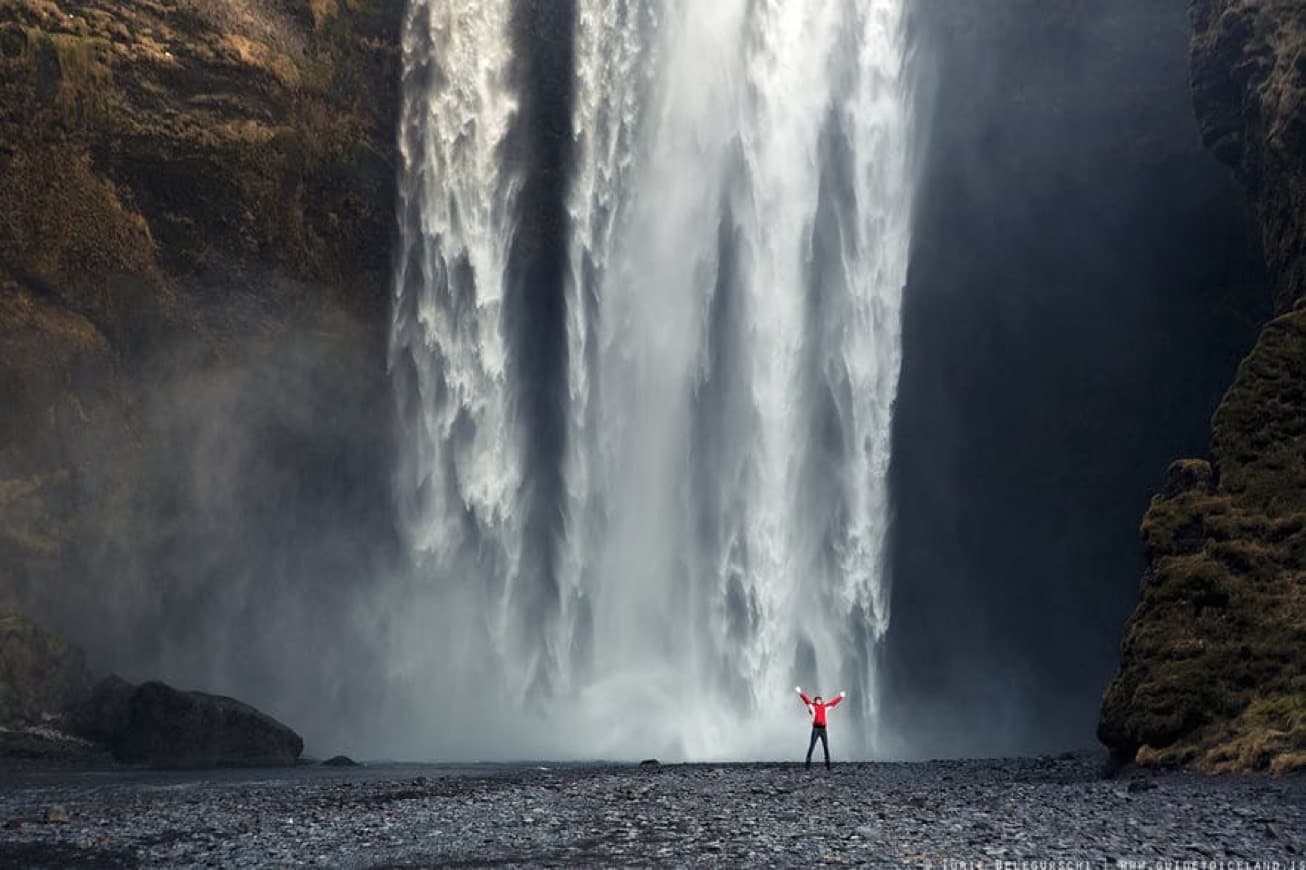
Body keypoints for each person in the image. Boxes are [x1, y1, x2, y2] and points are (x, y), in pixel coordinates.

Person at [795, 685, 846, 770]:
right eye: (817, 700)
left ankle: (828, 765)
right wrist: (800, 692)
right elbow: (806, 700)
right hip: (816, 729)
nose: (818, 701)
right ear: (815, 701)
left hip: (823, 729)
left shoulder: (825, 707)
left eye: (819, 700)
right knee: (812, 746)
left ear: (822, 701)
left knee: (825, 746)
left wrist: (840, 697)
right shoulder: (812, 707)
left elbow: (833, 702)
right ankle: (807, 765)